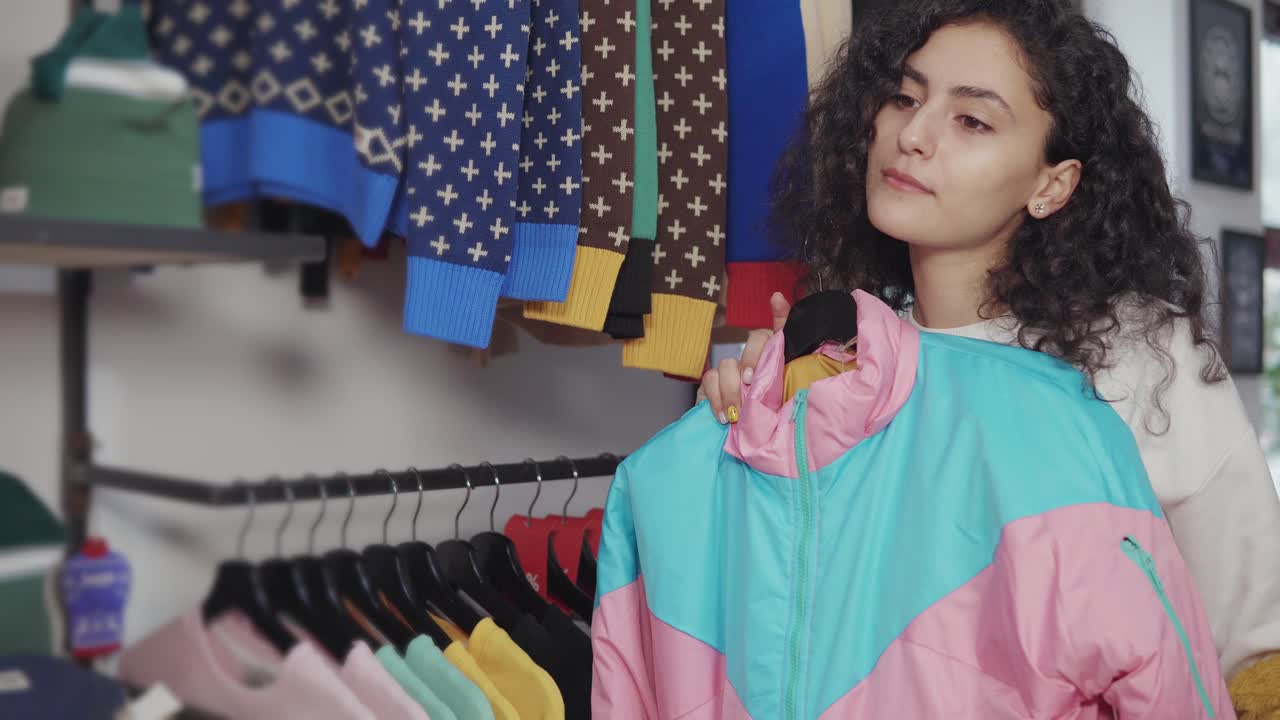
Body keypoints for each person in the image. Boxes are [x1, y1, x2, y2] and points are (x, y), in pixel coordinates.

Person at [699, 0, 1280, 713]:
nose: (912, 135)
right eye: (904, 98)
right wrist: (749, 434)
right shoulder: (842, 360)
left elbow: (1253, 650)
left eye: (972, 120)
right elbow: (786, 629)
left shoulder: (1142, 360)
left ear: (1052, 184)